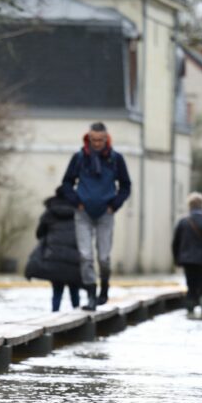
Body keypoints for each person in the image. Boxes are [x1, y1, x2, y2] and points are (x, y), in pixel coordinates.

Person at [58, 122, 131, 310]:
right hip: (83, 213)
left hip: (106, 213)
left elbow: (125, 186)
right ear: (88, 138)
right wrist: (76, 202)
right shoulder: (80, 158)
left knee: (104, 257)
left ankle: (104, 288)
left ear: (106, 139)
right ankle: (91, 294)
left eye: (100, 140)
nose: (97, 143)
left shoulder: (116, 159)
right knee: (85, 255)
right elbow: (66, 183)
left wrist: (114, 205)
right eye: (93, 140)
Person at [24, 189, 83, 311]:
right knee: (74, 290)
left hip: (54, 256)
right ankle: (78, 317)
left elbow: (40, 233)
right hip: (74, 257)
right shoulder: (79, 211)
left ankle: (55, 314)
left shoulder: (50, 212)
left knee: (57, 290)